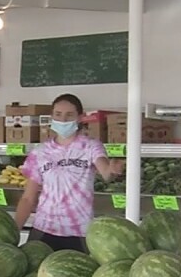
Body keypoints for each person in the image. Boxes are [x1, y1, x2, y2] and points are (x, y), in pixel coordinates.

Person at [14, 94, 125, 252]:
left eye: (69, 115)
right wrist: (14, 232)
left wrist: (113, 169)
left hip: (80, 232)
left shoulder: (91, 146)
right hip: (44, 229)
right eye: (58, 114)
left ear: (80, 118)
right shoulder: (40, 152)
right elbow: (27, 198)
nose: (63, 120)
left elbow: (106, 172)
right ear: (52, 117)